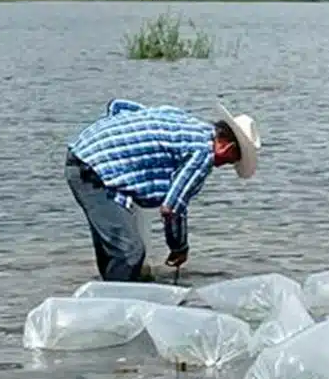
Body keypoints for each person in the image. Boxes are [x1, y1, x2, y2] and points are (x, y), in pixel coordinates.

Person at [64, 99, 261, 282]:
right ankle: (116, 308)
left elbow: (118, 106)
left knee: (114, 251)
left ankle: (108, 300)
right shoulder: (203, 153)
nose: (221, 165)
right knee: (130, 252)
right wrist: (179, 248)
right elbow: (172, 208)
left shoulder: (185, 121)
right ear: (227, 148)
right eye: (229, 161)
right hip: (94, 173)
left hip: (85, 156)